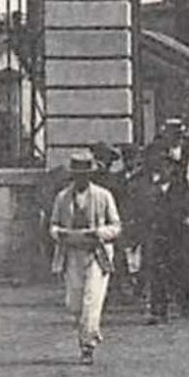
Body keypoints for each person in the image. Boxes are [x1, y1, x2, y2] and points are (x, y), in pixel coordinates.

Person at [47, 149, 123, 365]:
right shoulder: (62, 198)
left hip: (96, 255)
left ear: (91, 175)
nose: (81, 179)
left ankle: (87, 345)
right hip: (72, 255)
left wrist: (99, 233)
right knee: (75, 303)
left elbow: (116, 226)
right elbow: (52, 225)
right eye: (77, 175)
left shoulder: (103, 196)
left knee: (92, 299)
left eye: (85, 175)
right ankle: (90, 331)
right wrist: (59, 234)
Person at [145, 152, 189, 323]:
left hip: (179, 237)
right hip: (158, 237)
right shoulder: (151, 189)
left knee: (181, 273)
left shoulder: (182, 189)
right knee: (156, 273)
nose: (163, 170)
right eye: (160, 167)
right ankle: (158, 310)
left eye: (167, 167)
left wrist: (188, 219)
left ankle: (183, 305)